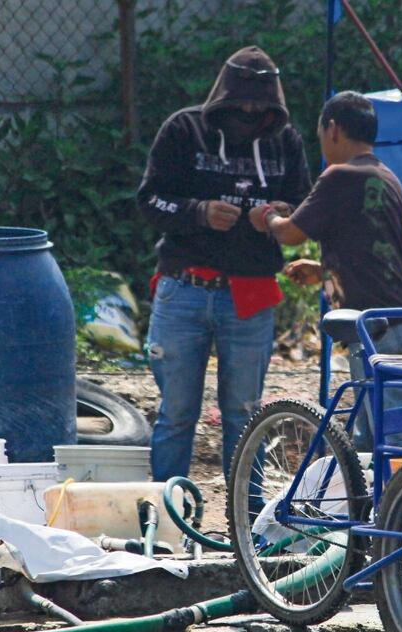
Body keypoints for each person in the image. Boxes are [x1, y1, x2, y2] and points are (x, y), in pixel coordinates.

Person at [136, 46, 311, 481]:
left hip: (250, 293)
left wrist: (274, 214)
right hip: (184, 288)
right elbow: (149, 200)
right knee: (176, 414)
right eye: (242, 103)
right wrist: (199, 212)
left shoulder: (284, 140)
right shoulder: (184, 129)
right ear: (223, 97)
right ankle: (168, 519)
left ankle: (245, 526)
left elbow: (305, 205)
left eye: (260, 105)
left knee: (245, 416)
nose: (250, 111)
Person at [250, 91, 402, 451]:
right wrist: (324, 270)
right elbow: (375, 249)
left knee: (397, 440)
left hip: (377, 328)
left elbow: (290, 234)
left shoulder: (340, 176)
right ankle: (369, 508)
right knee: (367, 441)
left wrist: (266, 216)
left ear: (333, 129)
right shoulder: (386, 177)